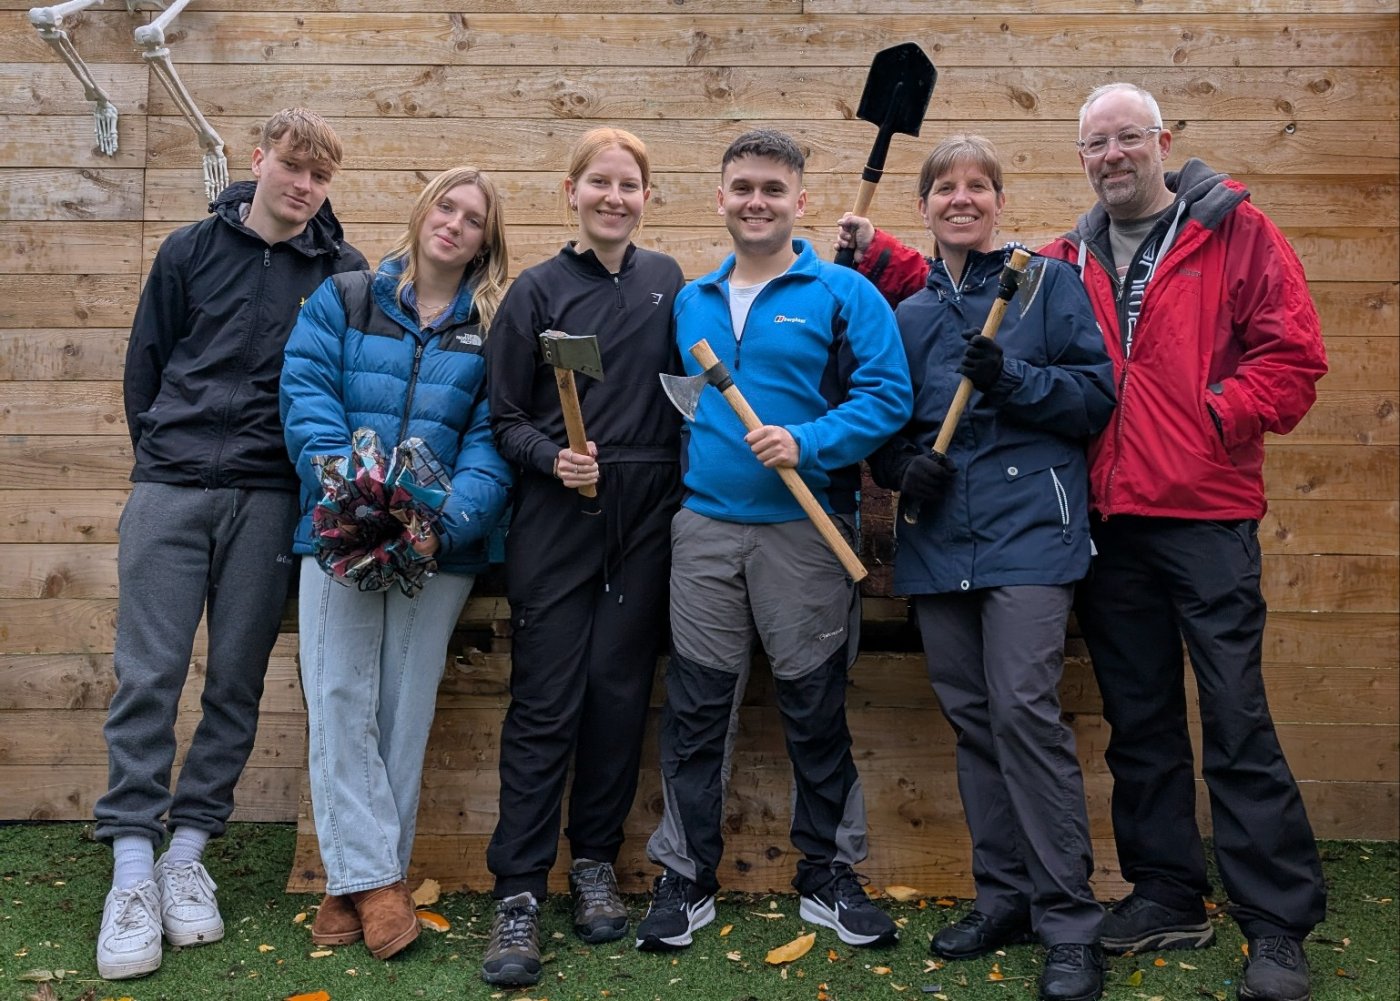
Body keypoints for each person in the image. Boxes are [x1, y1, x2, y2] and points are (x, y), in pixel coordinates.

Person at [1040, 83, 1328, 1001]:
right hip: (1110, 523)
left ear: (1162, 140)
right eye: (1097, 143)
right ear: (1082, 157)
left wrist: (1213, 416)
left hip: (1207, 514)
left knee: (1236, 716)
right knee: (1142, 720)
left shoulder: (1236, 232)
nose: (1113, 154)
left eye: (1128, 137)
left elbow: (1293, 356)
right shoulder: (1065, 256)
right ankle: (1168, 888)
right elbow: (973, 285)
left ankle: (1276, 922)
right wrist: (880, 255)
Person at [94, 109, 364, 981]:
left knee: (237, 682)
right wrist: (164, 461)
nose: (303, 186)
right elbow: (148, 363)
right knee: (148, 675)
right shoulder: (187, 250)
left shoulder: (343, 274)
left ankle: (187, 855)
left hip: (269, 498)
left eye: (320, 176)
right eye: (292, 166)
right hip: (171, 489)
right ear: (258, 160)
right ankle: (133, 862)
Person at [848, 134, 1116, 1001]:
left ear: (999, 201)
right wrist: (897, 467)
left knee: (1026, 710)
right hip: (938, 541)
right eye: (946, 188)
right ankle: (1004, 896)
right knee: (973, 720)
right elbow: (882, 425)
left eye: (979, 186)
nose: (962, 199)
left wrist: (1014, 379)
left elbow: (1094, 396)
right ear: (923, 208)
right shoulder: (909, 315)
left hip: (1032, 534)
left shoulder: (1044, 285)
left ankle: (1069, 919)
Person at [635, 128, 911, 954]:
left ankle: (828, 873)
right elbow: (680, 404)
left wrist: (809, 442)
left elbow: (888, 395)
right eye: (743, 187)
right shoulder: (691, 299)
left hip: (806, 532)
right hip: (706, 535)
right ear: (720, 198)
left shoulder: (841, 293)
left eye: (773, 189)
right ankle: (685, 877)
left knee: (815, 707)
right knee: (696, 710)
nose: (757, 200)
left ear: (801, 202)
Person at [279, 167, 512, 962]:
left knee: (402, 707)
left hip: (433, 547)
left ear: (488, 239)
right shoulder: (343, 298)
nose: (454, 223)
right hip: (338, 529)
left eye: (473, 218)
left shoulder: (491, 329)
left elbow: (492, 440)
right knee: (340, 692)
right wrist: (354, 495)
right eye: (445, 205)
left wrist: (438, 522)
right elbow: (307, 395)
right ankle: (381, 883)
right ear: (421, 212)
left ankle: (354, 885)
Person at [480, 127, 686, 987]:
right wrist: (550, 458)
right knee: (545, 702)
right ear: (571, 192)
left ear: (646, 196)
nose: (613, 196)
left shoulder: (669, 282)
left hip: (646, 518)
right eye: (598, 182)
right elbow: (503, 418)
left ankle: (595, 862)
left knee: (617, 694)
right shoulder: (535, 293)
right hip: (558, 518)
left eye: (628, 185)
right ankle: (520, 889)